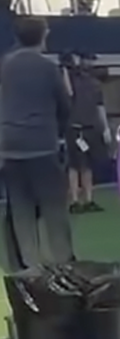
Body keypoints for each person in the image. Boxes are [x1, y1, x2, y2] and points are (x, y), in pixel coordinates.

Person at [0, 16, 74, 267]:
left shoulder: (5, 66)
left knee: (21, 213)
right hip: (42, 146)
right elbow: (64, 106)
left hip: (10, 148)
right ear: (43, 35)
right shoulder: (48, 68)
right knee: (54, 209)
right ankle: (64, 265)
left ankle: (30, 269)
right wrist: (60, 133)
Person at [66, 53, 107, 212]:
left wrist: (104, 128)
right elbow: (67, 93)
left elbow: (100, 106)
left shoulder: (95, 84)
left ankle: (88, 199)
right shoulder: (71, 81)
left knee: (87, 165)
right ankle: (75, 200)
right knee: (74, 166)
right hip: (74, 128)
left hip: (90, 127)